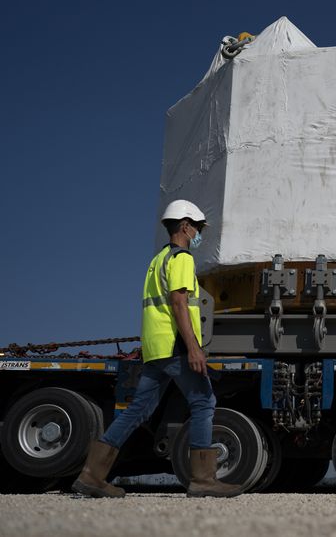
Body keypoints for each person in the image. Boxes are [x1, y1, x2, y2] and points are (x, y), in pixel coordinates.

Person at [72, 200, 242, 498]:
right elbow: (179, 303)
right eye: (198, 228)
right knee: (204, 402)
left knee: (138, 410)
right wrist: (193, 348)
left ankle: (91, 476)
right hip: (176, 347)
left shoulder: (158, 260)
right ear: (185, 226)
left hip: (155, 348)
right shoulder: (182, 259)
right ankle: (203, 479)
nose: (199, 233)